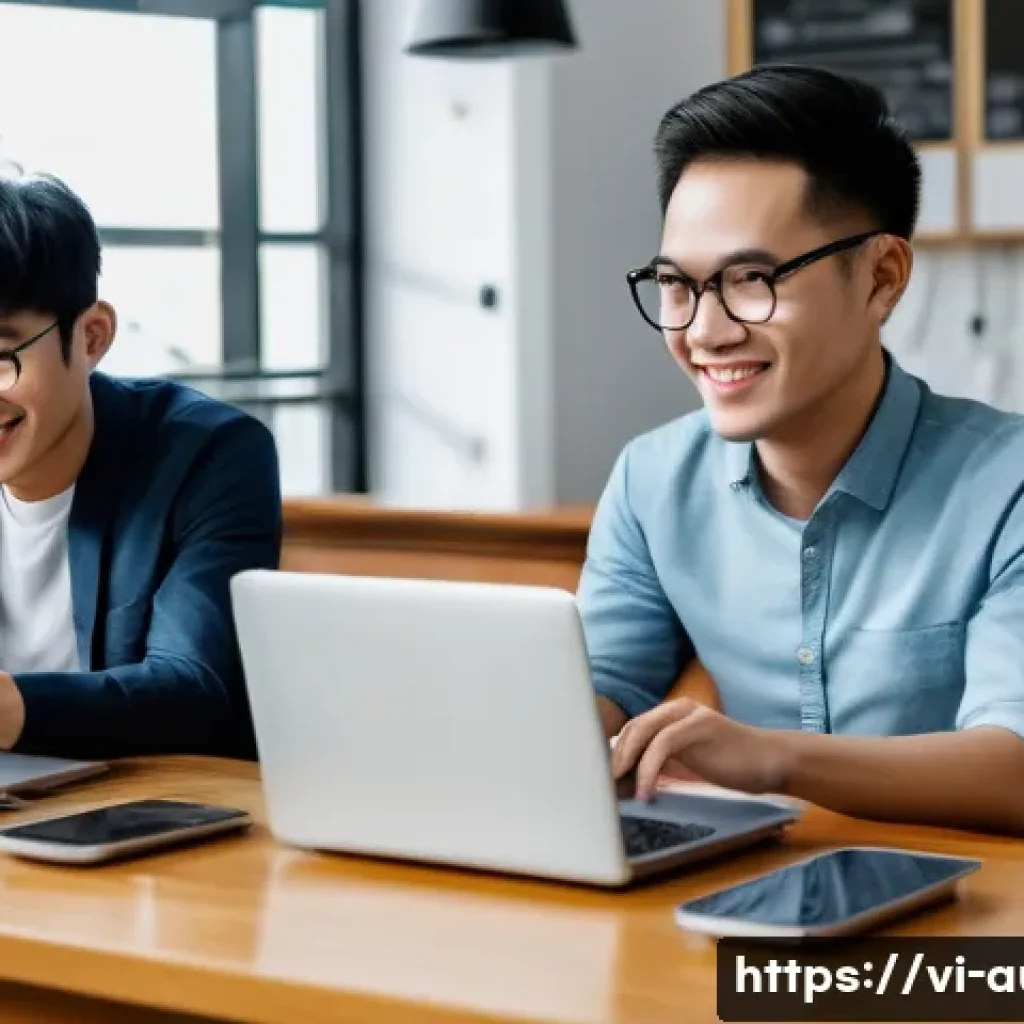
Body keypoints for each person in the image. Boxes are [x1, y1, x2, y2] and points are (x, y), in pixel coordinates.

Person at [582, 64, 1024, 835]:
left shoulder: (1006, 487)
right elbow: (595, 688)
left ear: (882, 277)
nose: (705, 332)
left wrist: (772, 759)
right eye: (677, 286)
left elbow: (1014, 768)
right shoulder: (651, 481)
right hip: (755, 884)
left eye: (753, 279)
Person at [0, 172, 281, 760]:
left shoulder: (209, 456)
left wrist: (14, 710)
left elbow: (194, 688)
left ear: (92, 337)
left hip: (139, 800)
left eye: (2, 358)